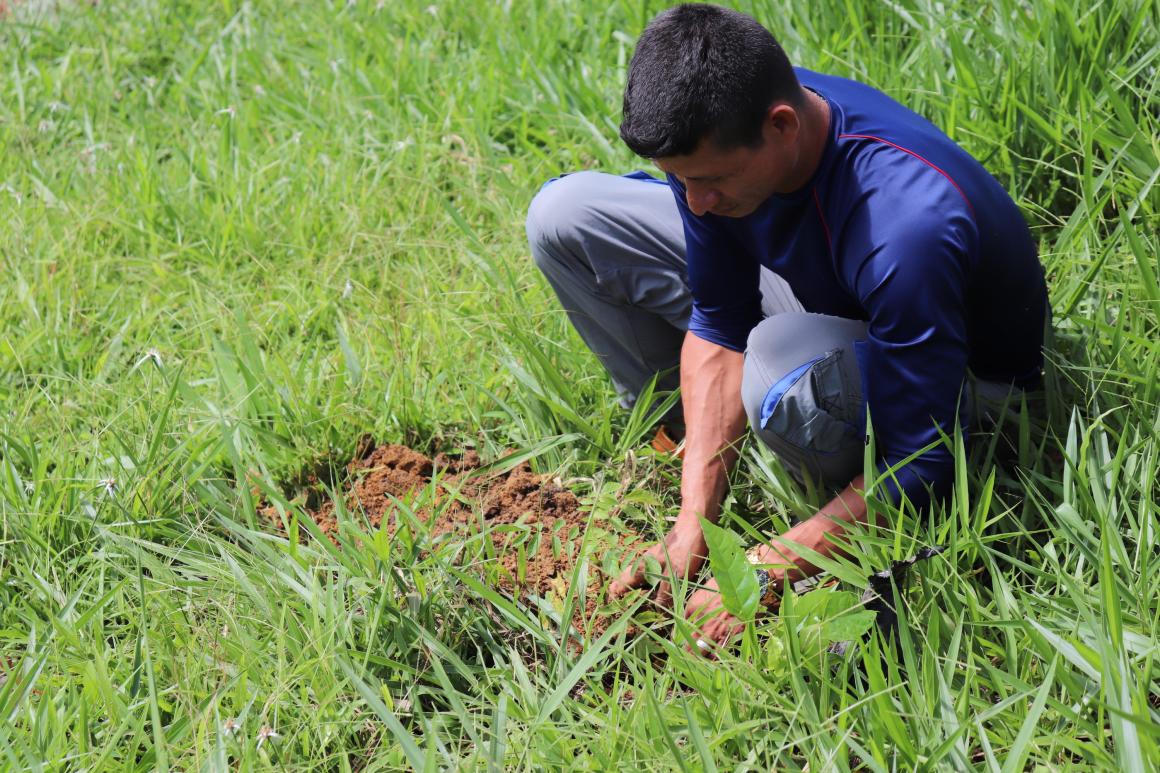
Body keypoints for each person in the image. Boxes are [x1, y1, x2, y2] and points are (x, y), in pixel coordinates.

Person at [524, 4, 1047, 648]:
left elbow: (923, 458)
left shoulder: (905, 226)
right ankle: (692, 448)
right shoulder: (728, 124)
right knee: (565, 214)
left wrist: (765, 567)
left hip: (965, 384)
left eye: (709, 180)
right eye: (679, 179)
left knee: (775, 369)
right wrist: (693, 524)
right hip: (836, 295)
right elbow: (720, 320)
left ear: (781, 125)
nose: (694, 202)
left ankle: (802, 452)